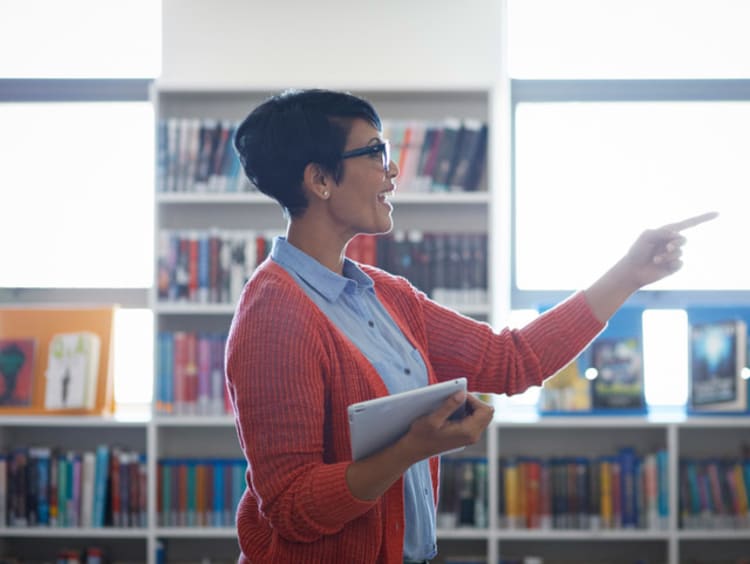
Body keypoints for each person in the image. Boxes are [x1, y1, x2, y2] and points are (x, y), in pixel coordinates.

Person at [224, 88, 717, 564]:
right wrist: (413, 449)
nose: (393, 169)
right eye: (376, 152)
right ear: (320, 179)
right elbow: (291, 508)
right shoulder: (275, 312)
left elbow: (511, 360)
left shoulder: (388, 294)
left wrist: (630, 273)